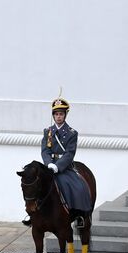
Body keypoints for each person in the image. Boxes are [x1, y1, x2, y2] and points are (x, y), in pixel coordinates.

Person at [38, 96, 92, 227]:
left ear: (65, 115)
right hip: (49, 166)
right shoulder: (48, 131)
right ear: (53, 115)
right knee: (35, 186)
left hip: (65, 167)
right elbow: (45, 150)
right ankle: (35, 214)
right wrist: (48, 163)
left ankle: (79, 215)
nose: (58, 117)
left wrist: (58, 166)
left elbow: (70, 153)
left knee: (79, 187)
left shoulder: (71, 133)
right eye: (56, 114)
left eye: (61, 114)